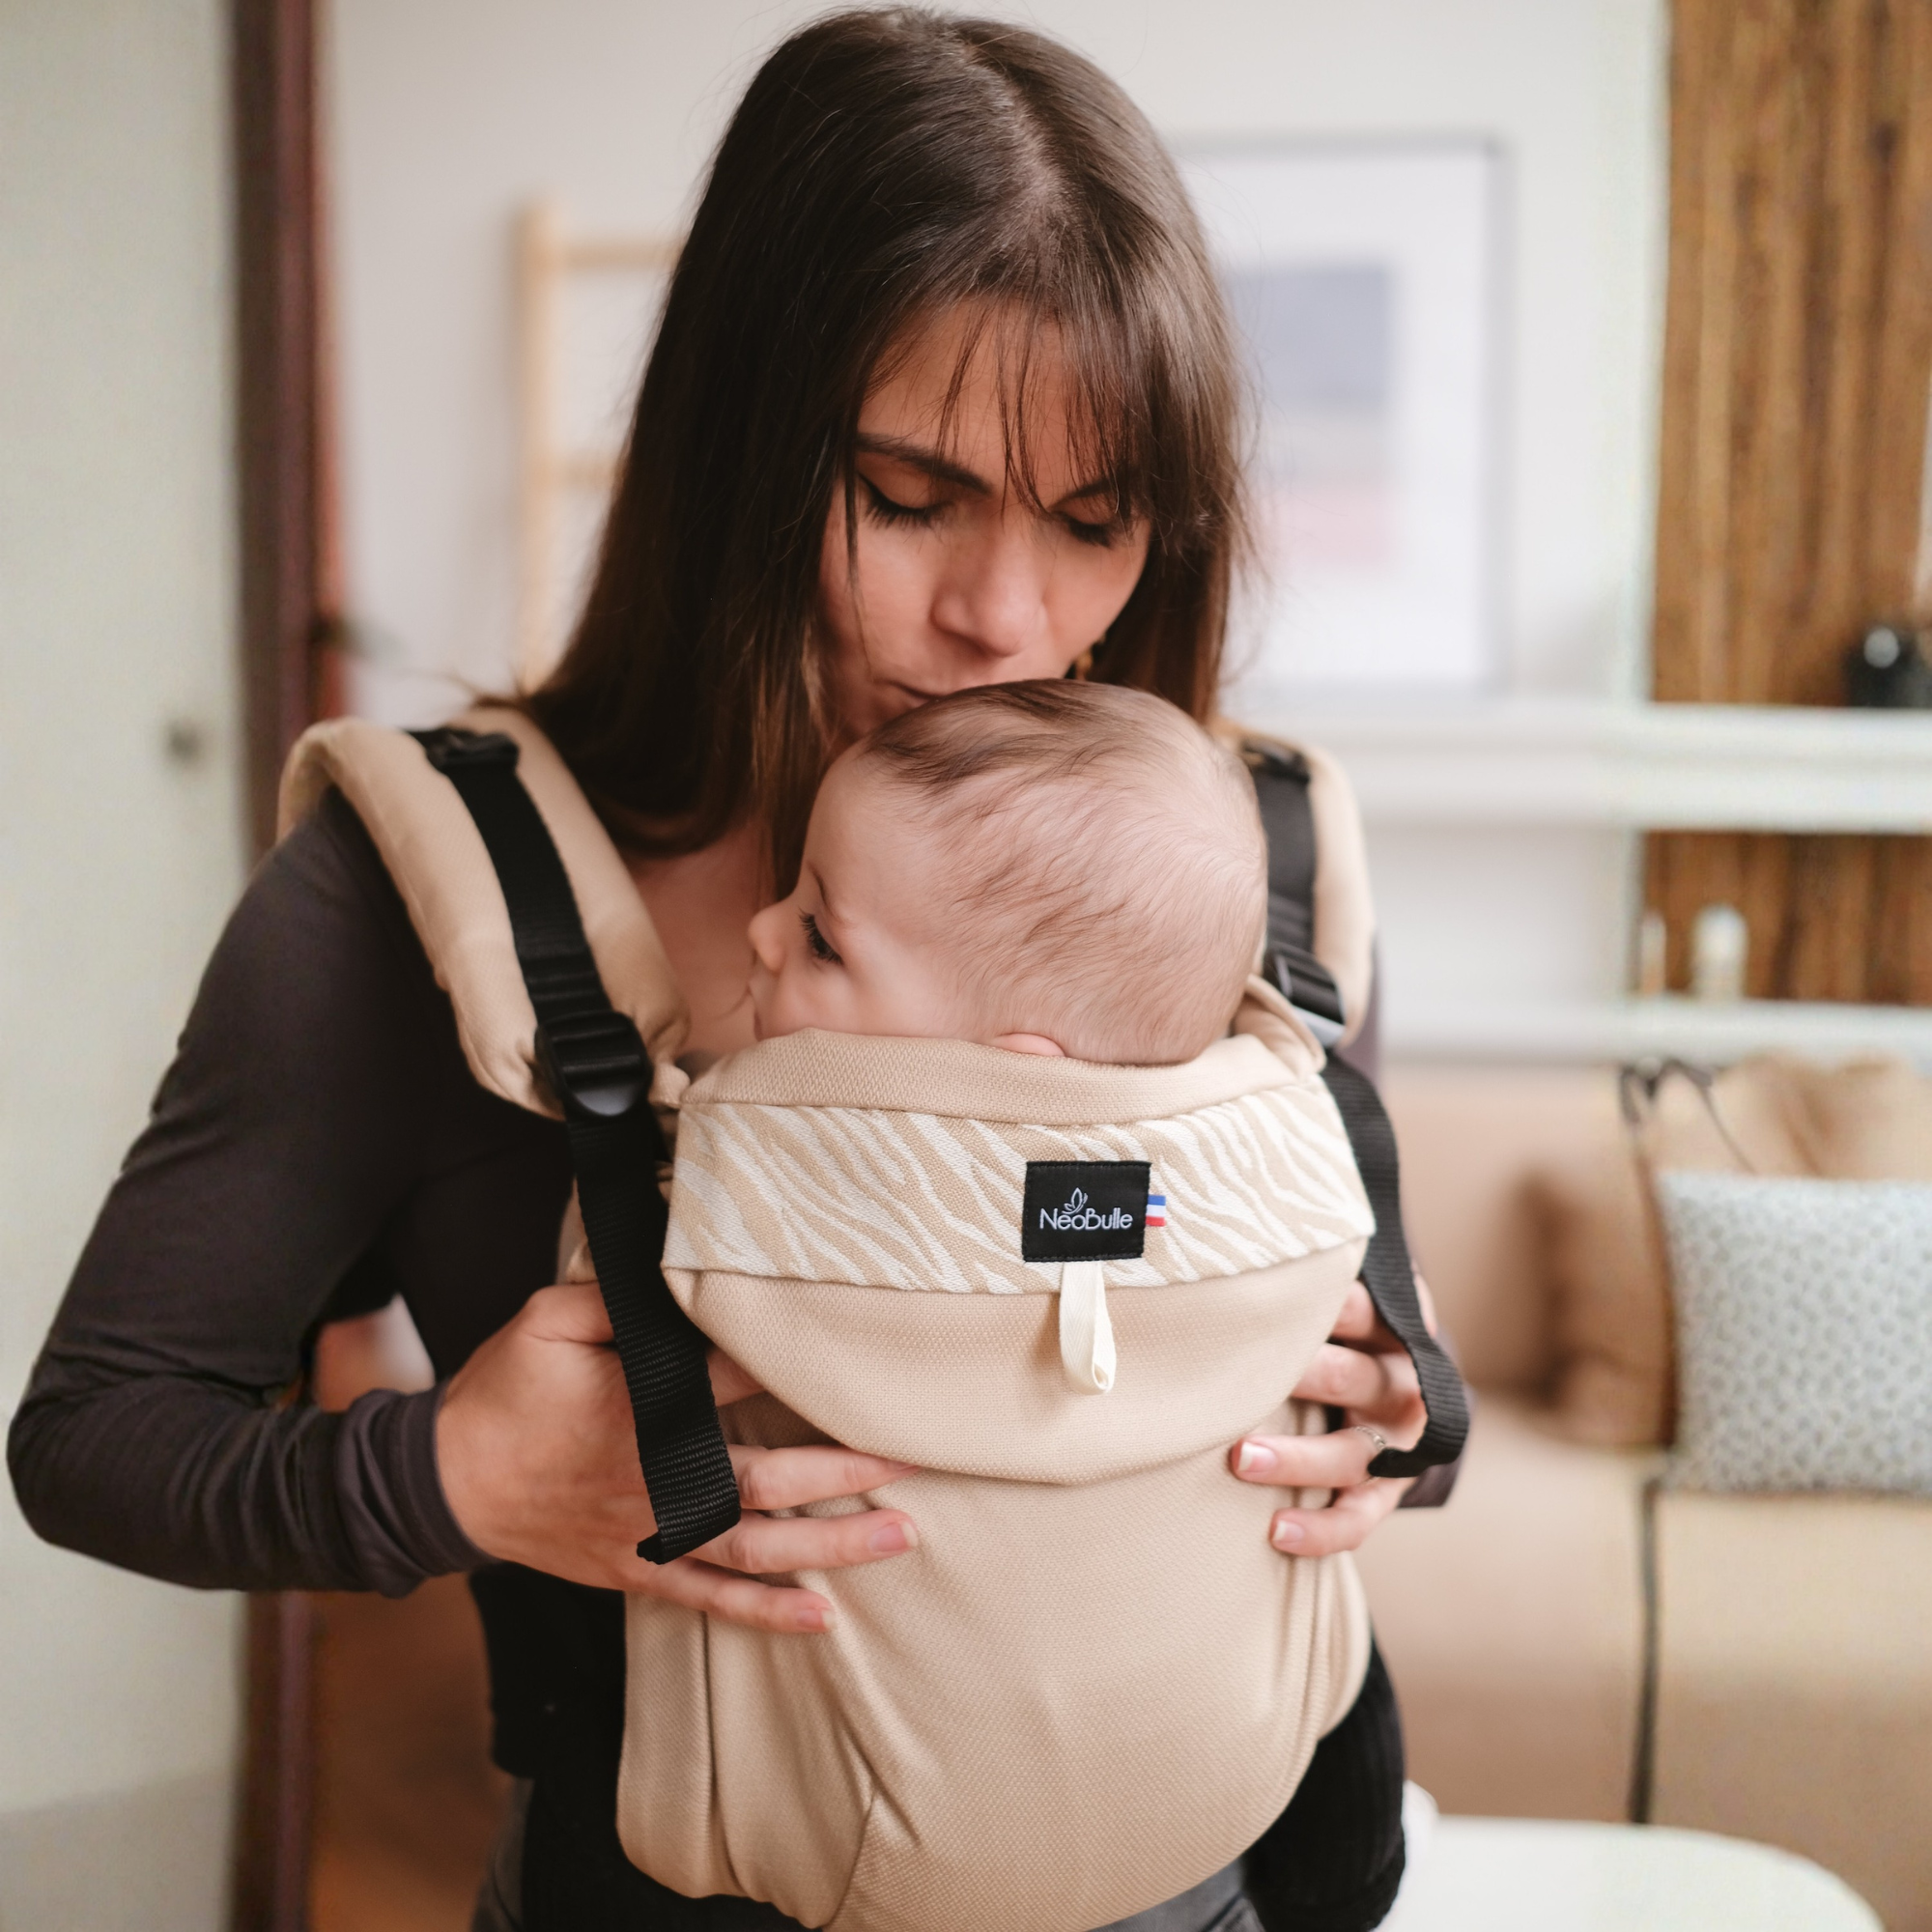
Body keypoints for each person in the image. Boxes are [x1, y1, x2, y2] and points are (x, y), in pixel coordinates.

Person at [9, 12, 1438, 1930]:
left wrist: (1393, 1416)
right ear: (739, 449)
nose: (1007, 620)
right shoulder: (428, 889)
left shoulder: (1247, 861)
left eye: (1092, 522)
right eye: (912, 495)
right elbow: (96, 1440)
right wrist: (452, 1477)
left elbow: (1400, 1363)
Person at [608, 675, 1402, 1932]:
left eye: (820, 935)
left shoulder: (727, 1191)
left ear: (1009, 1070)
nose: (762, 934)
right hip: (1234, 1784)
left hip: (913, 1854)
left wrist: (1409, 1414)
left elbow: (1378, 1408)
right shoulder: (1281, 1137)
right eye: (911, 501)